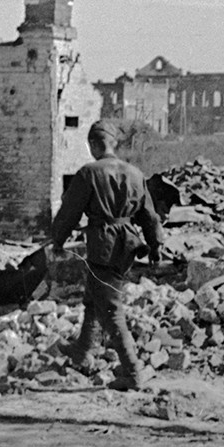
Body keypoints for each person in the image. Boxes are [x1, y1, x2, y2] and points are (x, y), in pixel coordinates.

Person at [50, 120, 164, 390]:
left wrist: (58, 240)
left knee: (111, 308)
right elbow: (149, 215)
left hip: (103, 244)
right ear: (114, 143)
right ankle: (82, 351)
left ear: (92, 144)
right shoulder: (135, 173)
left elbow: (70, 212)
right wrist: (156, 245)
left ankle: (133, 371)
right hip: (127, 245)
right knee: (95, 297)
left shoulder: (88, 173)